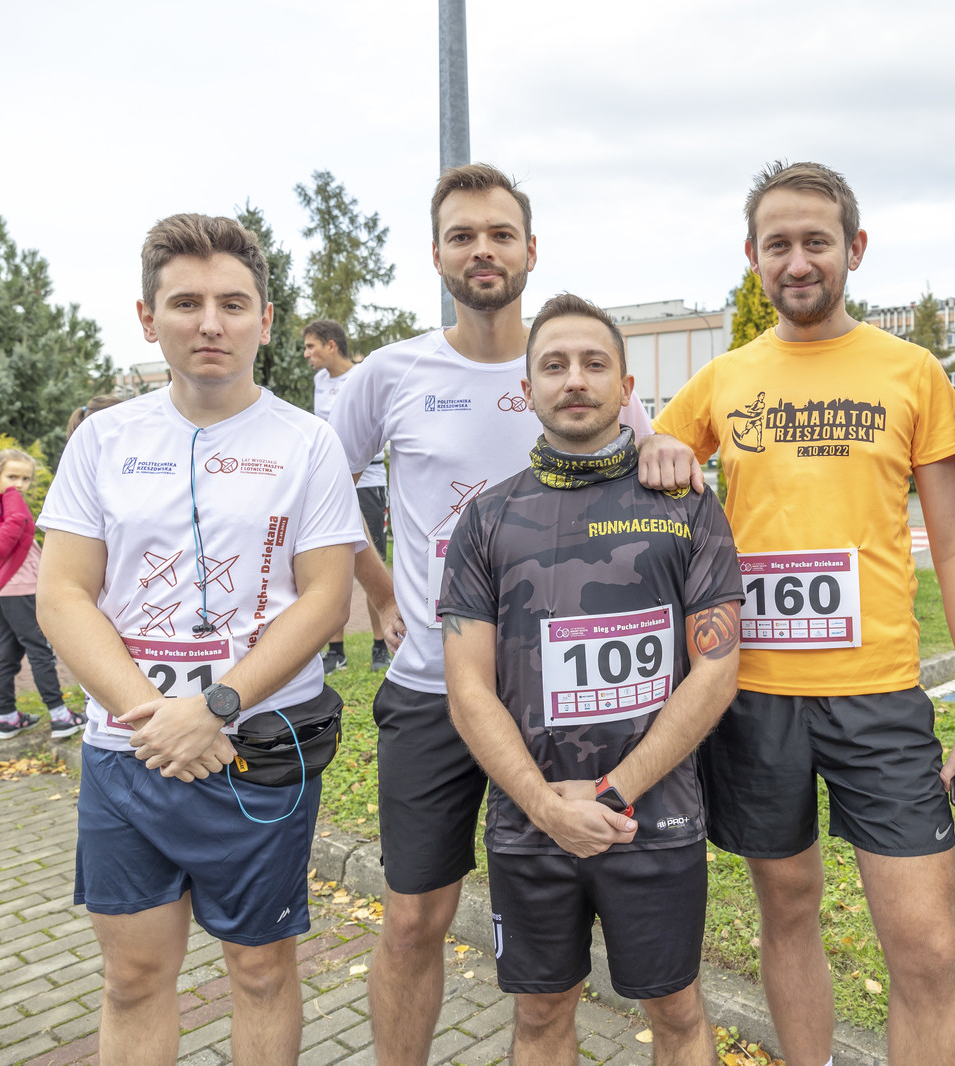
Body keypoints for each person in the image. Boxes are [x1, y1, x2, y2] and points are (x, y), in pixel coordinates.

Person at [637, 161, 955, 1066]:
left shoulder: (910, 371)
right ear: (753, 258)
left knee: (926, 946)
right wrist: (662, 453)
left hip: (878, 697)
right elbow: (653, 452)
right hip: (756, 697)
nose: (797, 261)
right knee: (789, 909)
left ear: (854, 248)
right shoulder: (724, 378)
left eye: (815, 241)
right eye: (778, 245)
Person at [327, 163, 653, 1066]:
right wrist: (377, 585)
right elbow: (323, 488)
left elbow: (647, 462)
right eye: (463, 236)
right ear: (436, 254)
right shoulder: (390, 374)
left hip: (559, 705)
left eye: (500, 234)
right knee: (412, 918)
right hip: (433, 690)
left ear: (530, 251)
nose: (483, 250)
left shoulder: (570, 365)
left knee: (556, 941)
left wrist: (664, 444)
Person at [36, 213, 364, 1066]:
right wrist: (158, 718)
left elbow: (325, 600)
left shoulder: (309, 442)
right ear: (149, 318)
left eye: (232, 303)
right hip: (131, 752)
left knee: (259, 971)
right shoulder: (102, 440)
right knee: (132, 979)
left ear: (264, 318)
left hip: (256, 748)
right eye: (186, 303)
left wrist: (214, 707)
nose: (210, 323)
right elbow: (63, 596)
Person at [440, 294, 743, 1066]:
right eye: (554, 365)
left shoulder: (684, 504)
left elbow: (716, 670)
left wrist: (610, 797)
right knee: (540, 1016)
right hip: (529, 824)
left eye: (593, 363)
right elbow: (468, 688)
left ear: (626, 385)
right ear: (528, 390)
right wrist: (546, 808)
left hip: (654, 819)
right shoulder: (486, 519)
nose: (574, 379)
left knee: (677, 1011)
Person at [0, 448, 82, 738]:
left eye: (25, 479)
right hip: (17, 591)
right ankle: (60, 716)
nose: (19, 485)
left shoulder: (4, 506)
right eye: (12, 477)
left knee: (8, 655)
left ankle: (8, 718)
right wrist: (14, 503)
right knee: (40, 651)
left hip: (17, 590)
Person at [303, 317, 390, 673]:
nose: (306, 354)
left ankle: (380, 645)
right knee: (329, 565)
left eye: (311, 346)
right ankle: (335, 651)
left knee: (373, 560)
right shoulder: (319, 381)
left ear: (331, 345)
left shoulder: (362, 377)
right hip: (328, 484)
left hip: (366, 483)